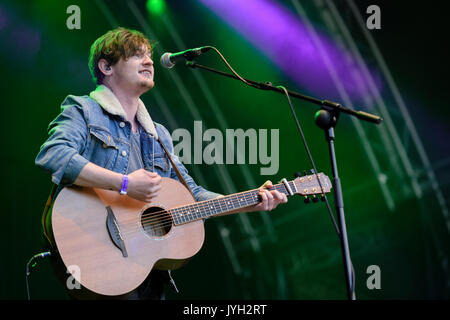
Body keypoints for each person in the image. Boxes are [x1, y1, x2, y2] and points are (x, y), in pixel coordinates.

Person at [35, 27, 287, 300]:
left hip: (145, 271)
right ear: (106, 66)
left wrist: (250, 200)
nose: (149, 62)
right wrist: (125, 184)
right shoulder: (83, 110)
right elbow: (54, 155)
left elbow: (192, 195)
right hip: (98, 254)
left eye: (149, 56)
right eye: (136, 55)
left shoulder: (159, 134)